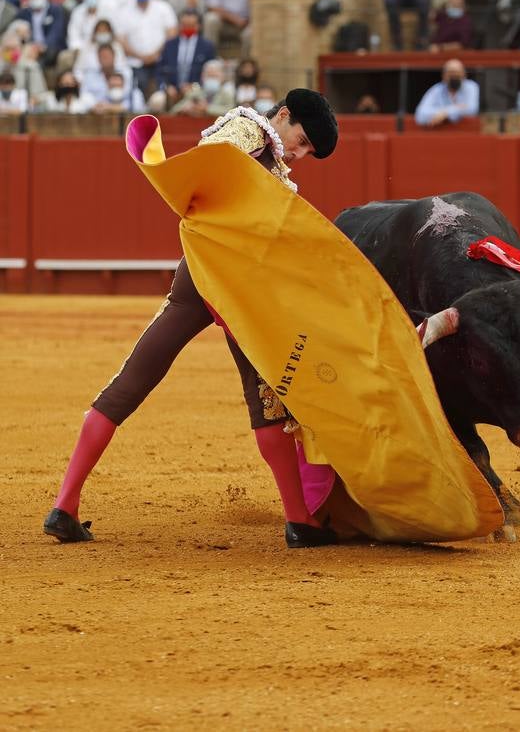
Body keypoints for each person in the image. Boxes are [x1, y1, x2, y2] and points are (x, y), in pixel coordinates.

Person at [43, 89, 340, 549]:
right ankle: (299, 522)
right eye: (300, 140)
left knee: (134, 379)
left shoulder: (268, 156)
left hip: (198, 278)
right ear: (283, 115)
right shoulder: (250, 131)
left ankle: (65, 505)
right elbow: (206, 168)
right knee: (265, 401)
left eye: (307, 152)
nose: (299, 153)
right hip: (233, 289)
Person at [115, 0, 178, 95]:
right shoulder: (124, 11)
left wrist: (156, 54)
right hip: (135, 62)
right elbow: (121, 40)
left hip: (161, 59)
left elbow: (171, 34)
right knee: (138, 89)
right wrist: (140, 56)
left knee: (164, 87)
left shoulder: (163, 8)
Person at [156, 8, 215, 104]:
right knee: (157, 101)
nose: (187, 28)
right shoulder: (169, 45)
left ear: (198, 26)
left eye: (191, 25)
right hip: (171, 89)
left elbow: (210, 72)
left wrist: (195, 86)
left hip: (196, 90)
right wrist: (167, 87)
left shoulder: (207, 46)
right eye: (184, 25)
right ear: (179, 25)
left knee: (198, 101)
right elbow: (160, 70)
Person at [15, 0, 68, 68]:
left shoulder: (56, 10)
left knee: (49, 54)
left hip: (50, 48)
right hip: (30, 48)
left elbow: (56, 33)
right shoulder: (23, 13)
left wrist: (42, 46)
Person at [414, 58, 479, 126]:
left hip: (466, 133)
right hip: (440, 134)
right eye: (451, 73)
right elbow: (420, 115)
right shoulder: (436, 89)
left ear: (464, 74)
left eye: (457, 73)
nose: (454, 76)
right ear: (444, 75)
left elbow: (472, 109)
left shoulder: (471, 87)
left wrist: (446, 113)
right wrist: (455, 109)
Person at [169, 58, 235, 116]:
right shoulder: (194, 93)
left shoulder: (227, 94)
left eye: (214, 76)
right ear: (202, 76)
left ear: (222, 77)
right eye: (209, 76)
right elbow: (173, 111)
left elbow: (231, 112)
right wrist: (184, 108)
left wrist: (207, 108)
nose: (211, 80)